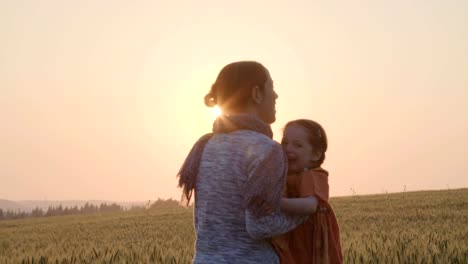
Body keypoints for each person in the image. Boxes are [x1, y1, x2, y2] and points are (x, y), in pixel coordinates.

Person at [177, 61, 309, 264]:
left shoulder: (204, 146)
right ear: (256, 94)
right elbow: (260, 225)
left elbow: (204, 222)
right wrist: (304, 215)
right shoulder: (268, 149)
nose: (276, 96)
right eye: (271, 88)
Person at [272, 119, 343, 264]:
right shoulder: (282, 175)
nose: (288, 148)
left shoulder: (314, 174)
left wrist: (276, 202)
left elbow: (309, 205)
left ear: (315, 155)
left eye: (298, 145)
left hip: (310, 237)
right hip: (292, 235)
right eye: (284, 143)